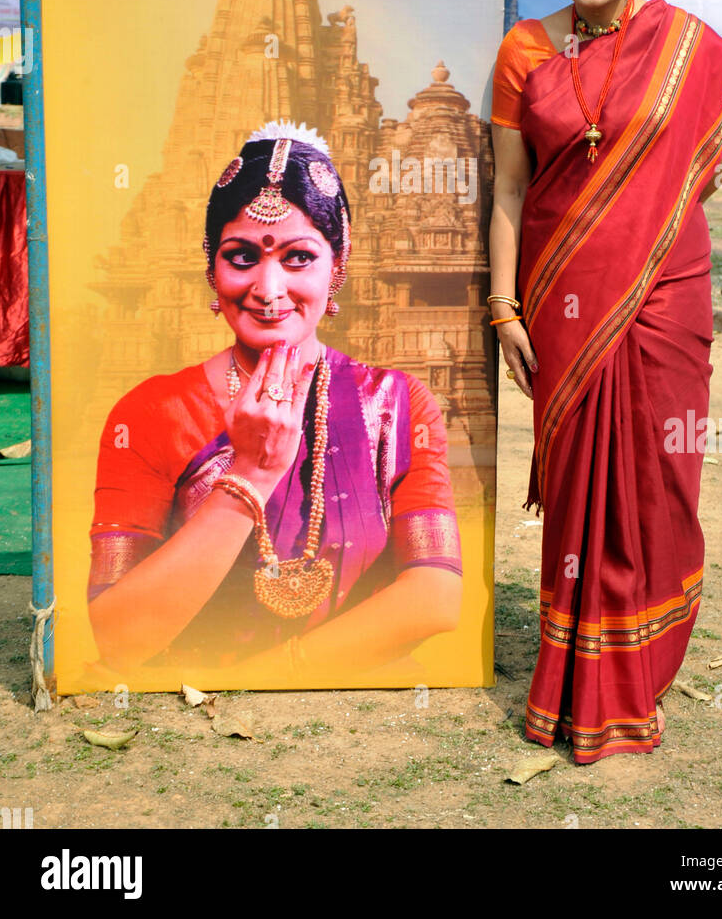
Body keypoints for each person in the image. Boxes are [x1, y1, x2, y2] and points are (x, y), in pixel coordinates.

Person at [489, 0, 722, 763]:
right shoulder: (523, 52)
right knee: (579, 487)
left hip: (665, 296)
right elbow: (507, 189)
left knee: (659, 478)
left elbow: (716, 147)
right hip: (566, 300)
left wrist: (670, 192)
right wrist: (504, 308)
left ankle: (637, 666)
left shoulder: (685, 46)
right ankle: (579, 679)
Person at [88, 122, 462, 681]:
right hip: (187, 721)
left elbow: (435, 597)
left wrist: (276, 671)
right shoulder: (149, 412)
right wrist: (251, 474)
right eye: (241, 257)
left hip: (355, 716)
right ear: (211, 267)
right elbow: (119, 636)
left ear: (337, 267)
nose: (268, 288)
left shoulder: (398, 405)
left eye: (298, 257)